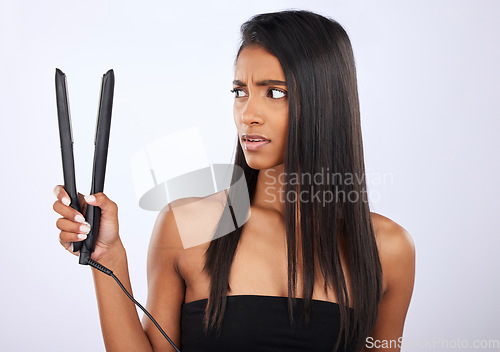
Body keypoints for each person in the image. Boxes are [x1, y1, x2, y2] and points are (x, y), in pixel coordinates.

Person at [53, 10, 415, 352]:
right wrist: (107, 257)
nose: (248, 114)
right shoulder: (187, 225)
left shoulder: (388, 249)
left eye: (274, 92)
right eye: (240, 91)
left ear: (326, 102)